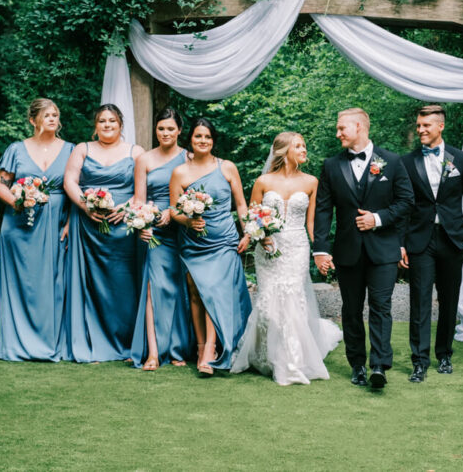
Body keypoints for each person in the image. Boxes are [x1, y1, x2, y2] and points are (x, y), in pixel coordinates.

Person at [313, 108, 414, 390]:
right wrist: (320, 249)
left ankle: (379, 365)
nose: (338, 134)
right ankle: (357, 364)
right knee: (352, 309)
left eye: (341, 128)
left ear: (359, 126)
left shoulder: (392, 161)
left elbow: (407, 202)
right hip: (347, 250)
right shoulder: (331, 165)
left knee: (381, 306)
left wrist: (377, 219)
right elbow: (323, 210)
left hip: (383, 250)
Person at [232, 132, 342, 385]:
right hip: (268, 247)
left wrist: (322, 252)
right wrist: (257, 238)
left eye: (305, 144)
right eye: (299, 146)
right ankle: (264, 356)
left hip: (297, 247)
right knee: (269, 305)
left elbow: (312, 224)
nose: (304, 149)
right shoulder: (263, 181)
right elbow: (251, 218)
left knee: (292, 300)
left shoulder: (312, 182)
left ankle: (291, 363)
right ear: (283, 151)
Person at [169, 118, 252, 376]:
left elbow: (240, 204)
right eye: (198, 136)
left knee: (214, 291)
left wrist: (248, 231)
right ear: (190, 140)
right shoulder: (180, 173)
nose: (203, 140)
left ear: (213, 140)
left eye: (207, 136)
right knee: (196, 293)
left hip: (224, 240)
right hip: (194, 244)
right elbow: (173, 211)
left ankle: (211, 351)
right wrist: (188, 219)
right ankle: (201, 346)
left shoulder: (227, 168)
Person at [401, 104, 463, 382]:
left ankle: (444, 355)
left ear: (440, 127)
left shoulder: (462, 159)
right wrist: (402, 243)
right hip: (420, 240)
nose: (421, 130)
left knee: (449, 300)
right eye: (419, 125)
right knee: (419, 301)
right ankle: (419, 360)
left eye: (426, 126)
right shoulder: (406, 162)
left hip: (453, 239)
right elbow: (402, 206)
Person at [62, 104, 145, 363]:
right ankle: (90, 338)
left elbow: (142, 190)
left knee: (124, 284)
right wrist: (86, 206)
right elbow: (70, 182)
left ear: (121, 124)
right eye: (101, 121)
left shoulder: (136, 152)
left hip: (124, 228)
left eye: (112, 121)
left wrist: (127, 206)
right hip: (88, 227)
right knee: (90, 284)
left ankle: (128, 340)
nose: (107, 125)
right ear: (95, 125)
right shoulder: (82, 149)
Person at [0, 98, 73, 361]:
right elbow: (0, 185)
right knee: (23, 283)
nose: (52, 118)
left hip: (55, 223)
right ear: (33, 120)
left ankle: (50, 341)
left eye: (55, 114)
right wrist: (17, 201)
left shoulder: (72, 150)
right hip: (19, 224)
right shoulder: (16, 150)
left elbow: (76, 188)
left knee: (52, 282)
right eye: (47, 115)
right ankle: (17, 344)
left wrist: (70, 222)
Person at [130, 108, 195, 371]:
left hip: (183, 229)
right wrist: (140, 225)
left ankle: (178, 348)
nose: (165, 133)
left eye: (170, 128)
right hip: (155, 232)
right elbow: (138, 199)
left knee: (180, 287)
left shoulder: (189, 157)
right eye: (161, 129)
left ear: (179, 130)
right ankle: (153, 353)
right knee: (153, 289)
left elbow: (195, 192)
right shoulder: (144, 159)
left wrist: (174, 210)